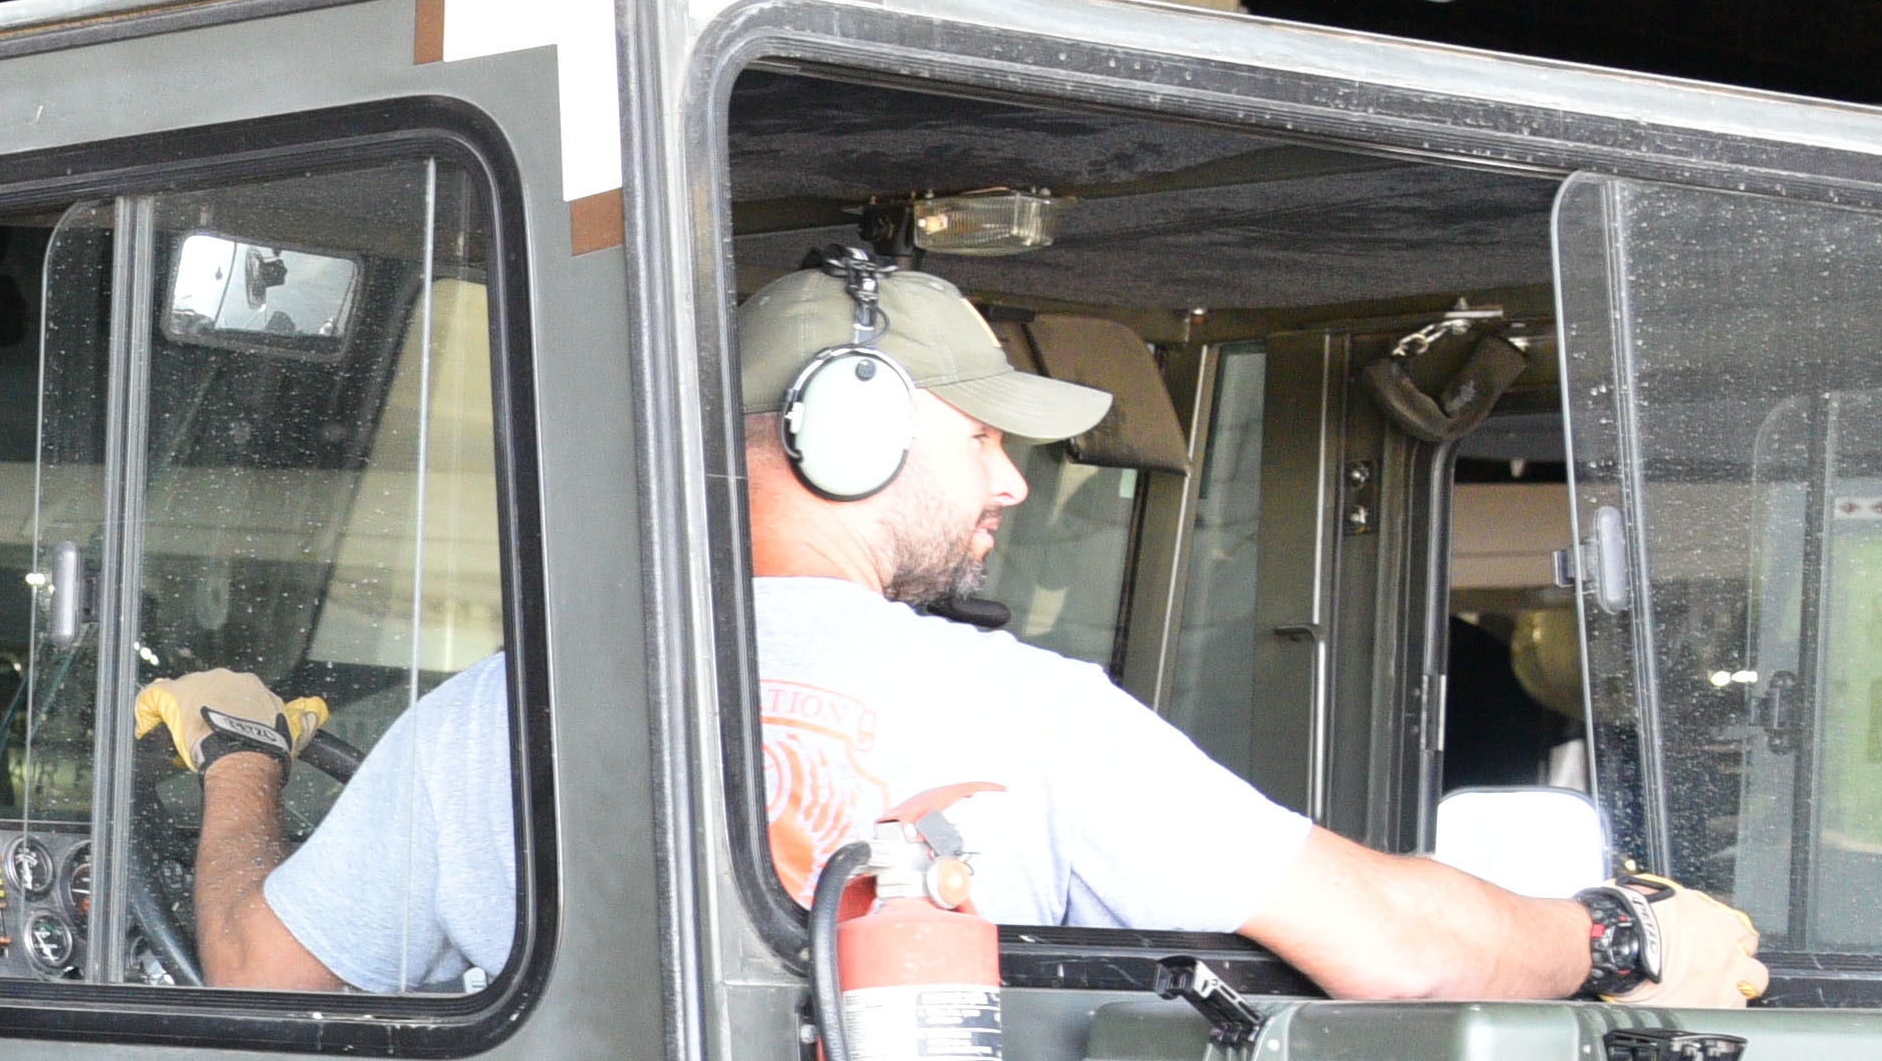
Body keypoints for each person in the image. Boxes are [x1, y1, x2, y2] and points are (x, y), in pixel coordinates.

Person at [136, 262, 1767, 1010]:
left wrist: (241, 768)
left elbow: (258, 972)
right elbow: (1395, 948)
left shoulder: (496, 716)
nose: (1010, 479)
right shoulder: (1021, 714)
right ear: (840, 426)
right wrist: (1621, 942)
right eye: (977, 433)